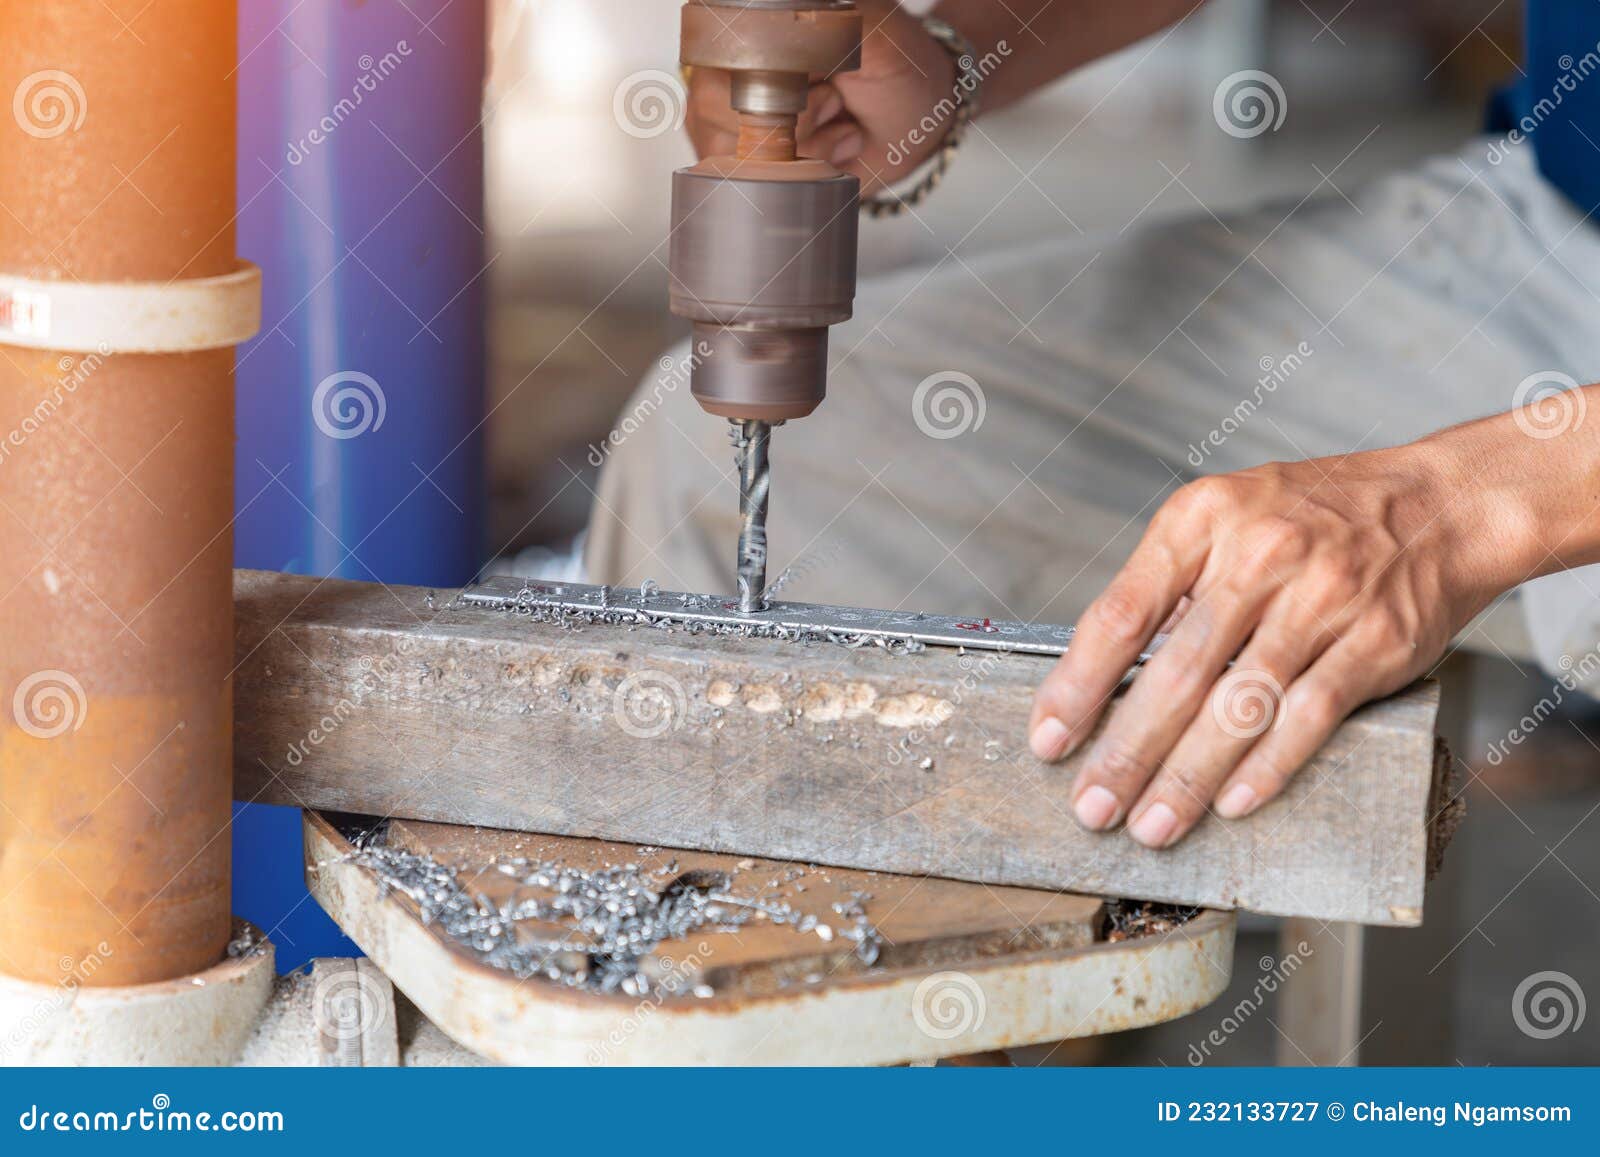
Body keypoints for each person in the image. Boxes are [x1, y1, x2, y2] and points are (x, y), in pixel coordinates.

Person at [585, 1, 1600, 849]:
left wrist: (1460, 503)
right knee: (717, 467)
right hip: (1552, 221)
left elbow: (1469, 501)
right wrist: (950, 56)